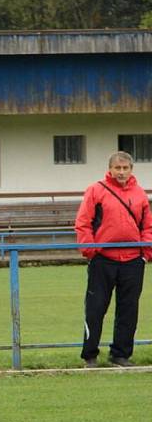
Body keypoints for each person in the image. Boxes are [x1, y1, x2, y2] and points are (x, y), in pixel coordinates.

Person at [74, 151, 152, 368]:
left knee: (128, 309)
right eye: (117, 168)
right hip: (103, 260)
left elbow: (148, 226)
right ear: (110, 169)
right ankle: (90, 355)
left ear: (131, 170)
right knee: (96, 308)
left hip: (133, 260)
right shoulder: (96, 190)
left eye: (125, 168)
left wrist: (145, 254)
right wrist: (90, 251)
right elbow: (83, 222)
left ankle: (120, 354)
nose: (121, 172)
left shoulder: (139, 194)